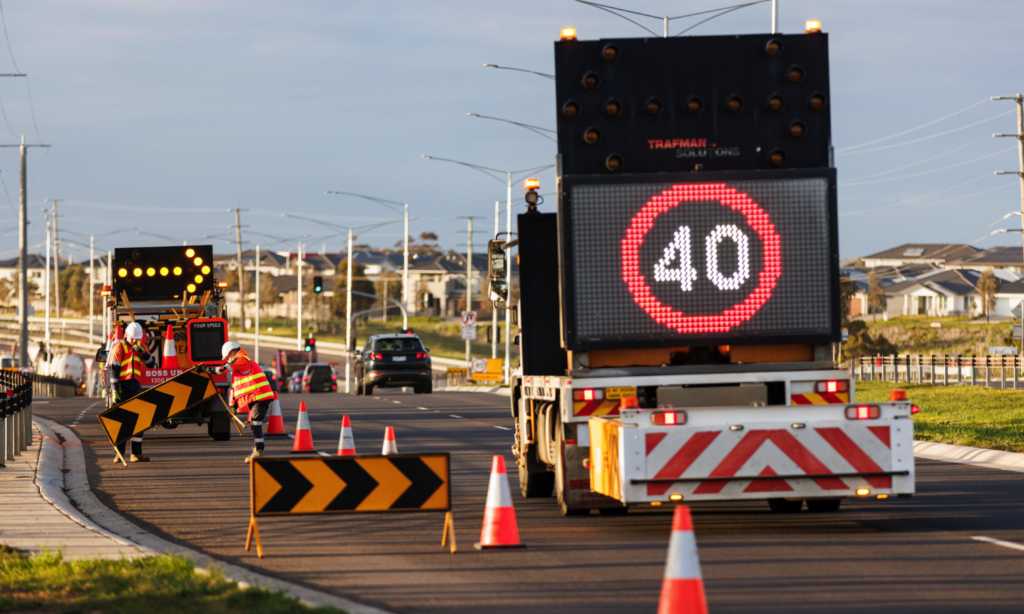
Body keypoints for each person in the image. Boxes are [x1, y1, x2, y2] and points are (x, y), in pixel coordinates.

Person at [107, 322, 158, 462]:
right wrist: (115, 390)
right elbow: (114, 370)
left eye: (137, 338)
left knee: (138, 419)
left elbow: (151, 364)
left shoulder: (140, 348)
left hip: (135, 386)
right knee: (121, 421)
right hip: (122, 387)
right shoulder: (119, 348)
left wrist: (143, 352)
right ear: (126, 335)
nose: (135, 340)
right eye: (132, 338)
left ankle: (136, 453)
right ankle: (119, 453)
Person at [221, 341, 275, 462]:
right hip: (256, 397)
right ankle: (257, 450)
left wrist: (207, 370)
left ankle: (259, 451)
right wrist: (234, 406)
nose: (227, 360)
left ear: (232, 352)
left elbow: (223, 369)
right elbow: (237, 388)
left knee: (256, 424)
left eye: (227, 357)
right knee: (255, 424)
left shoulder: (241, 359)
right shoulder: (239, 366)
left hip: (260, 396)